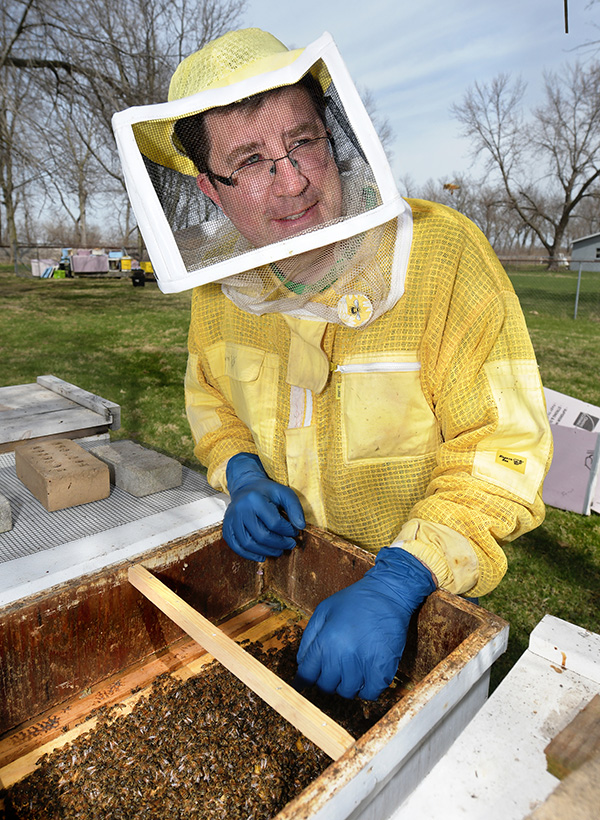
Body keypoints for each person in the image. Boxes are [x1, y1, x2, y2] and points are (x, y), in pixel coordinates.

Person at [125, 29, 553, 701]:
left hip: (415, 598)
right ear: (211, 189)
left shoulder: (444, 258)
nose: (293, 180)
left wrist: (401, 579)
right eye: (253, 159)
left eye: (303, 142)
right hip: (285, 585)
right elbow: (212, 399)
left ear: (334, 136)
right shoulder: (221, 290)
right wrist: (240, 471)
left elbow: (504, 451)